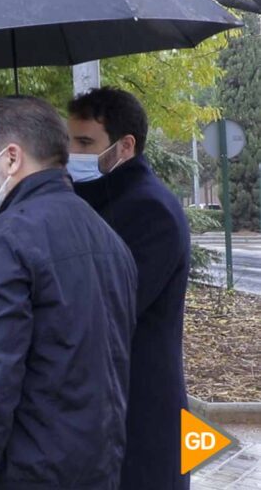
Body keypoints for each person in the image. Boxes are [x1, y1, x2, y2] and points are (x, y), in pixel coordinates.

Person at [0, 96, 137, 489]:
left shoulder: (6, 240)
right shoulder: (110, 240)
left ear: (11, 158)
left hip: (25, 473)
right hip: (97, 469)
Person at [67, 87, 191, 490]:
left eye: (85, 142)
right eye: (69, 141)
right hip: (108, 410)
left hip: (140, 412)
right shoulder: (99, 200)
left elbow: (111, 307)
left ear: (126, 146)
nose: (74, 153)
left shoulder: (149, 210)